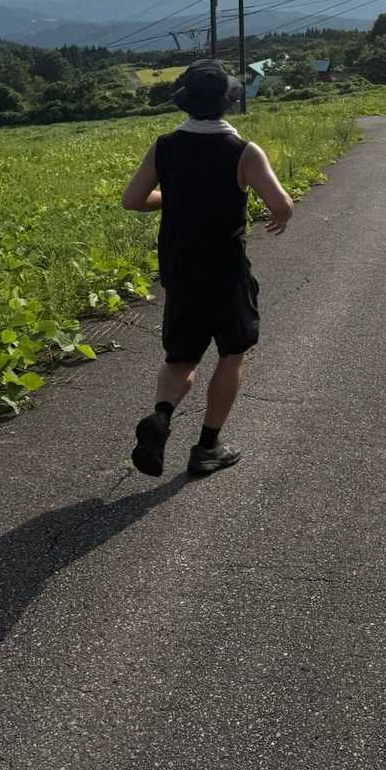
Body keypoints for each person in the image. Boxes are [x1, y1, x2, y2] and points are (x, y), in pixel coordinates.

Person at [121, 58, 293, 477]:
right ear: (228, 102)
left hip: (180, 270)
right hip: (226, 272)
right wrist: (281, 216)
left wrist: (173, 197)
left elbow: (133, 200)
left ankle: (161, 417)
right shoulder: (243, 151)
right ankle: (207, 448)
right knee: (232, 353)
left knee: (181, 357)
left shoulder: (164, 146)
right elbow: (280, 203)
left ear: (186, 103)